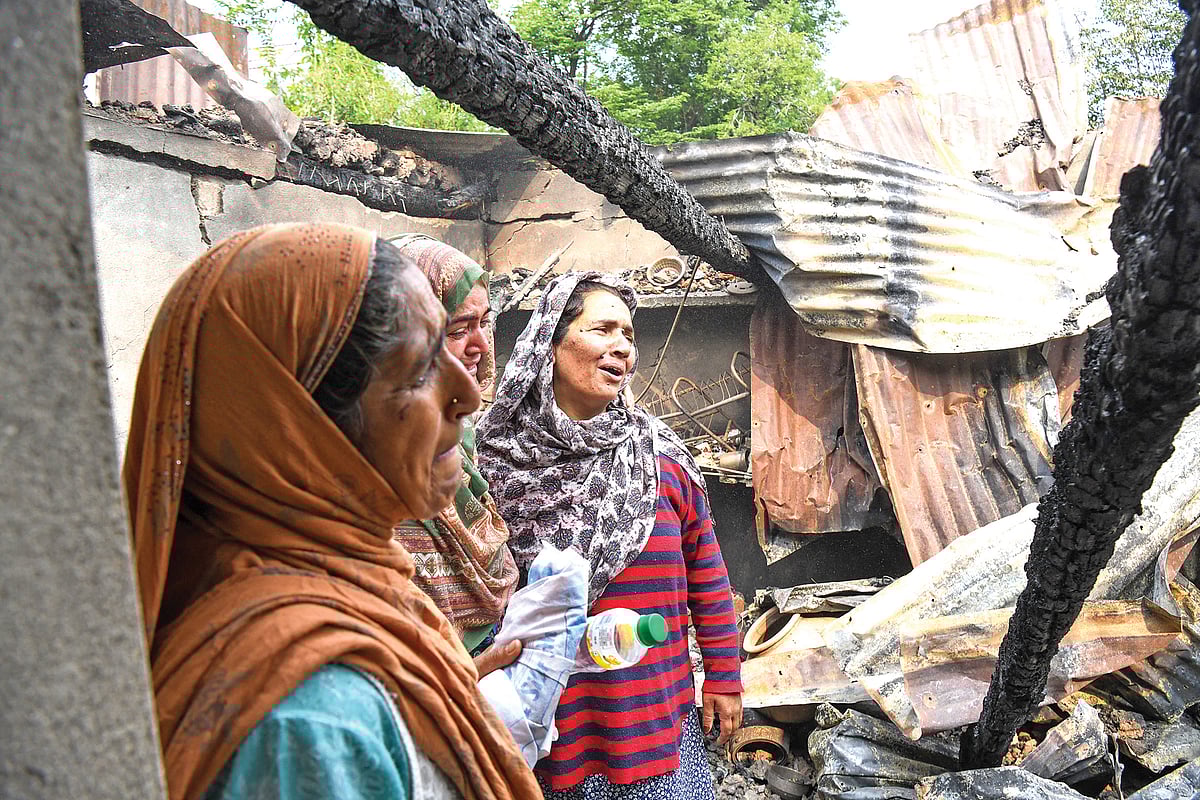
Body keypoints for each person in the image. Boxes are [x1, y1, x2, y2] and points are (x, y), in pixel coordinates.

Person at [122, 222, 538, 800]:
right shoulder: (309, 720)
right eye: (421, 368)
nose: (468, 392)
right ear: (301, 424)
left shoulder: (368, 589)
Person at [476, 271, 744, 800]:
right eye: (602, 329)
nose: (622, 346)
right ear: (550, 343)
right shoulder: (495, 464)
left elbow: (707, 573)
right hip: (551, 730)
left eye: (629, 334)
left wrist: (723, 675)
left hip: (656, 723)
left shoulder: (660, 458)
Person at [387, 234, 518, 656]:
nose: (481, 346)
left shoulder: (459, 432)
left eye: (485, 323)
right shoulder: (375, 457)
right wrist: (466, 673)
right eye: (459, 330)